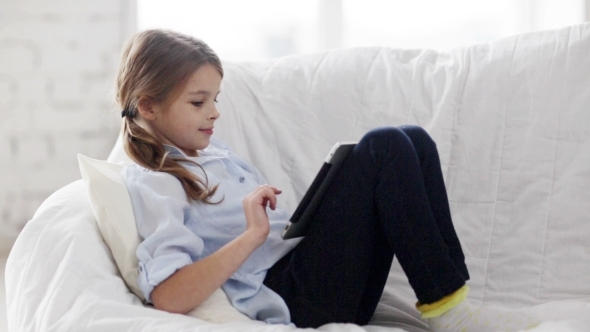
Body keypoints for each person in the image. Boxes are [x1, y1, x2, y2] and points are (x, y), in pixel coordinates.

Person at [117, 29, 538, 332]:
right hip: (294, 300)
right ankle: (449, 314)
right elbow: (168, 296)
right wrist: (250, 236)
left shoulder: (211, 154)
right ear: (149, 106)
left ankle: (453, 297)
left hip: (309, 274)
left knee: (415, 140)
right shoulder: (155, 182)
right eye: (198, 102)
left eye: (215, 99)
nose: (214, 113)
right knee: (384, 146)